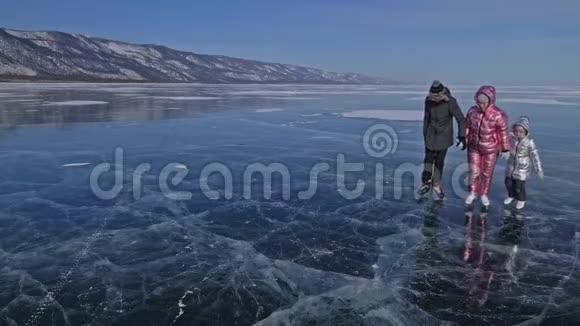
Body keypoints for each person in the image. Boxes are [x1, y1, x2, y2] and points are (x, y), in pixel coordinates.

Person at [418, 80, 466, 200]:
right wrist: (425, 133)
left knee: (439, 161)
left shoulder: (450, 101)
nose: (435, 98)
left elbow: (460, 118)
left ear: (441, 92)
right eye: (433, 95)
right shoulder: (428, 101)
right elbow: (426, 118)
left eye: (437, 95)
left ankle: (437, 183)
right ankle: (426, 182)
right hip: (430, 135)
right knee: (428, 160)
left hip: (443, 136)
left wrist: (462, 136)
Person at [465, 85, 510, 208]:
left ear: (490, 100)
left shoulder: (498, 115)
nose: (482, 105)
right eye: (479, 102)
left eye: (484, 102)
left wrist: (505, 148)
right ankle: (473, 192)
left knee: (486, 173)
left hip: (490, 149)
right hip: (473, 147)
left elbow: (503, 132)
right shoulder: (472, 111)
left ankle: (484, 194)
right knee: (473, 171)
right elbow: (467, 127)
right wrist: (464, 139)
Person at [503, 116, 544, 209]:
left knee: (518, 186)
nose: (518, 133)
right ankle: (511, 195)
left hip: (522, 167)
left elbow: (535, 156)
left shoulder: (529, 142)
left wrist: (539, 169)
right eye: (516, 131)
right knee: (508, 183)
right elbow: (503, 142)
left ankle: (521, 199)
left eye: (521, 132)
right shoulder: (511, 138)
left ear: (525, 132)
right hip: (511, 165)